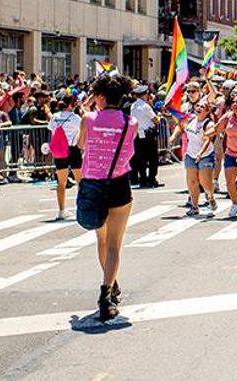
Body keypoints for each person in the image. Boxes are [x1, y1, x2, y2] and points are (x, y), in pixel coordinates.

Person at [77, 74, 138, 322]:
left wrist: (90, 112)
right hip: (120, 184)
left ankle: (110, 284)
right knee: (115, 245)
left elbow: (81, 145)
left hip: (93, 184)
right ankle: (107, 291)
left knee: (101, 241)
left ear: (100, 96)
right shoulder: (130, 122)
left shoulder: (88, 119)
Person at [209, 93, 237, 218]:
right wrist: (205, 134)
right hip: (231, 153)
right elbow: (216, 128)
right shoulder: (228, 117)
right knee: (230, 181)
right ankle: (235, 204)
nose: (235, 105)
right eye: (233, 102)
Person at [170, 101, 217, 217]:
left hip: (205, 155)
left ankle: (210, 197)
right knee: (192, 181)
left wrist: (201, 153)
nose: (199, 108)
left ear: (208, 111)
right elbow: (180, 124)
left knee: (205, 182)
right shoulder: (190, 120)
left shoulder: (209, 124)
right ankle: (194, 206)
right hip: (190, 154)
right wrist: (173, 137)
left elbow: (207, 140)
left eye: (202, 106)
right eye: (198, 106)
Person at [47, 94, 82, 220]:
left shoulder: (55, 117)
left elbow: (52, 131)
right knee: (80, 181)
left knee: (61, 182)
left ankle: (61, 210)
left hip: (60, 150)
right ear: (71, 104)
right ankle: (81, 208)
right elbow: (82, 131)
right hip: (72, 149)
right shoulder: (75, 117)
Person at [129, 85, 159, 188]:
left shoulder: (133, 106)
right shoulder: (146, 106)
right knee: (152, 158)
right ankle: (151, 179)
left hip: (138, 134)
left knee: (140, 158)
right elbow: (156, 120)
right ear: (145, 94)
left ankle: (143, 178)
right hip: (148, 134)